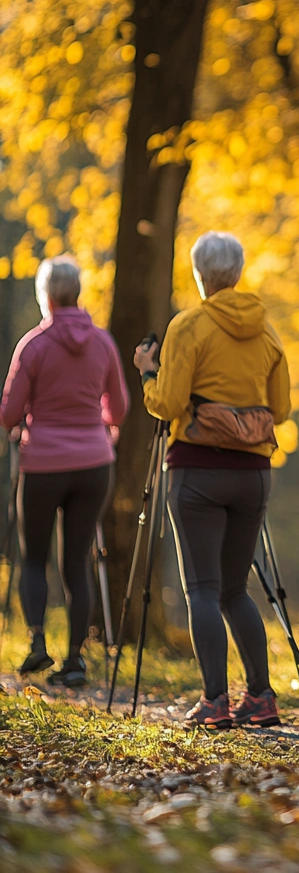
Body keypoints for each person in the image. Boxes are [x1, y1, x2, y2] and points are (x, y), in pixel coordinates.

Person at [134, 232, 291, 730]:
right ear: (238, 272)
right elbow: (281, 408)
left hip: (197, 469)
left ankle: (215, 701)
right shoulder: (267, 331)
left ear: (201, 275)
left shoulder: (190, 326)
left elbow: (170, 404)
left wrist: (146, 374)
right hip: (253, 474)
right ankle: (262, 697)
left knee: (201, 588)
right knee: (234, 589)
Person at [1, 256, 129, 686]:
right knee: (77, 560)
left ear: (47, 295)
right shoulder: (103, 343)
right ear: (76, 293)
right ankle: (76, 660)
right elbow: (120, 408)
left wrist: (23, 421)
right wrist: (100, 424)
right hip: (94, 464)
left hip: (43, 464)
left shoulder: (33, 345)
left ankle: (38, 644)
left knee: (35, 557)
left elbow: (9, 413)